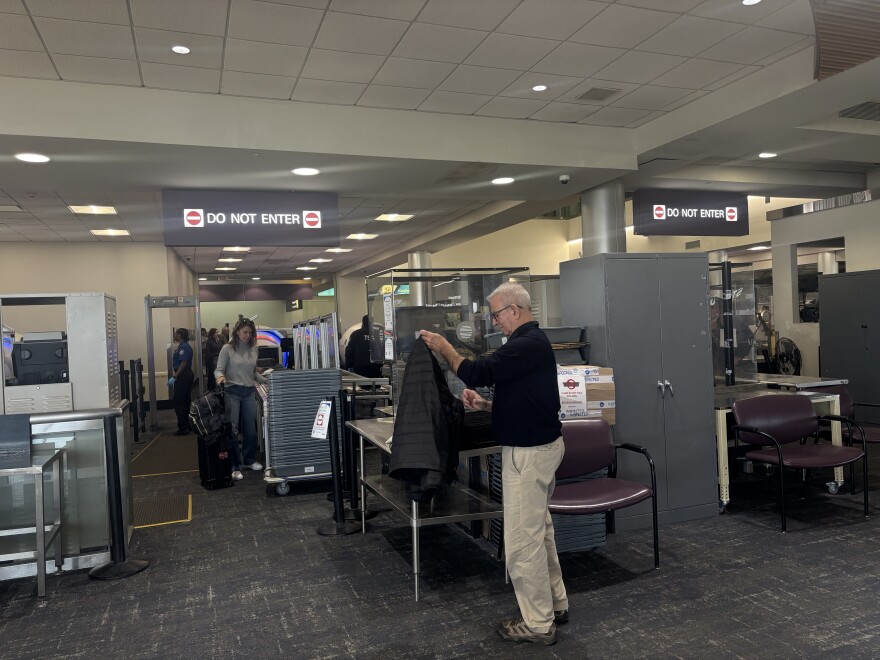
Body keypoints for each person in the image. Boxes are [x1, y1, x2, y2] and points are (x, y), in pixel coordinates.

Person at [419, 282, 566, 646]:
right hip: (541, 448)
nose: (494, 322)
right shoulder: (530, 345)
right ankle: (555, 604)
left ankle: (538, 622)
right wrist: (488, 407)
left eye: (497, 315)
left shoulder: (526, 344)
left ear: (515, 310)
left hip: (529, 455)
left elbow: (478, 372)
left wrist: (444, 348)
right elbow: (528, 398)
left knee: (522, 542)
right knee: (539, 532)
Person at [214, 317, 267, 481]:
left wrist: (266, 379)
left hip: (249, 392)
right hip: (232, 392)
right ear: (237, 332)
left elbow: (252, 373)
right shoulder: (227, 349)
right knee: (233, 430)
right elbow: (218, 370)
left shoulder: (254, 349)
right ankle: (234, 465)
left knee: (251, 430)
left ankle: (249, 460)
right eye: (245, 332)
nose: (248, 336)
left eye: (250, 333)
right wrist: (220, 378)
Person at [168, 328, 194, 436]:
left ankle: (183, 427)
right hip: (185, 375)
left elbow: (183, 362)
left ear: (179, 335)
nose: (174, 335)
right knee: (185, 401)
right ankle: (186, 425)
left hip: (183, 375)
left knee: (179, 401)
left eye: (175, 333)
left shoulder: (184, 347)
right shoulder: (183, 346)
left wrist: (175, 376)